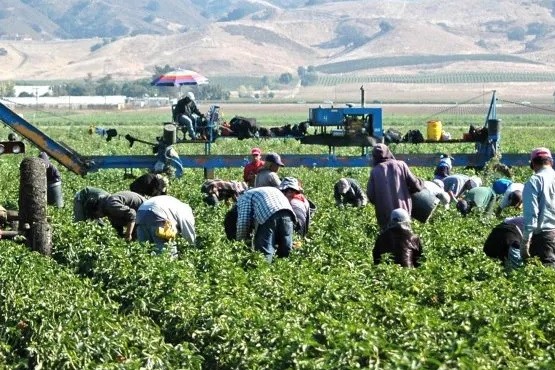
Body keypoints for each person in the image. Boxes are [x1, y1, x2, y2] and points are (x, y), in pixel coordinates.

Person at [367, 143, 423, 230]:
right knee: (405, 237)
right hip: (403, 212)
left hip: (384, 215)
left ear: (374, 156)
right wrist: (420, 182)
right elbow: (415, 185)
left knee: (389, 239)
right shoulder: (401, 165)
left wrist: (381, 202)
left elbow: (370, 196)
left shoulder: (375, 171)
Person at [234, 187, 296, 262]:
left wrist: (240, 243)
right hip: (287, 213)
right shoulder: (266, 190)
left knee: (265, 251)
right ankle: (287, 269)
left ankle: (265, 271)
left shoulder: (244, 198)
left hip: (268, 214)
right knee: (286, 248)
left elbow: (243, 223)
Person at [521, 147, 555, 266]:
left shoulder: (535, 181)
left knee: (544, 275)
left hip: (544, 237)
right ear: (551, 162)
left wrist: (525, 241)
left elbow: (531, 214)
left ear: (533, 164)